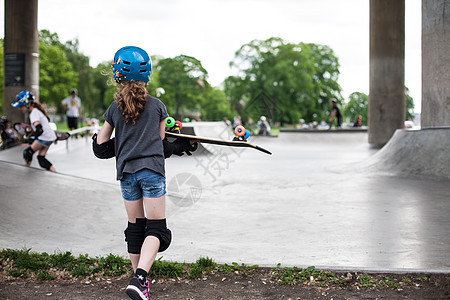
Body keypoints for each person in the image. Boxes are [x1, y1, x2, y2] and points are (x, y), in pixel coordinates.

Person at [92, 46, 196, 300]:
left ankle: (138, 283)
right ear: (146, 74)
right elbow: (160, 144)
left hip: (127, 175)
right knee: (158, 230)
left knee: (136, 228)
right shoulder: (158, 106)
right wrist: (181, 145)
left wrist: (117, 141)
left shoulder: (113, 109)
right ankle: (139, 278)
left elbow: (101, 145)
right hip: (151, 172)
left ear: (117, 75)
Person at [11, 91, 57, 172]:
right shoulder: (37, 111)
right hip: (50, 137)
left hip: (44, 137)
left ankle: (25, 172)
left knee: (28, 152)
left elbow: (39, 129)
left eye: (21, 106)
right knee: (41, 159)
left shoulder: (33, 113)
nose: (20, 108)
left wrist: (30, 140)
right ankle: (55, 172)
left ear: (28, 104)